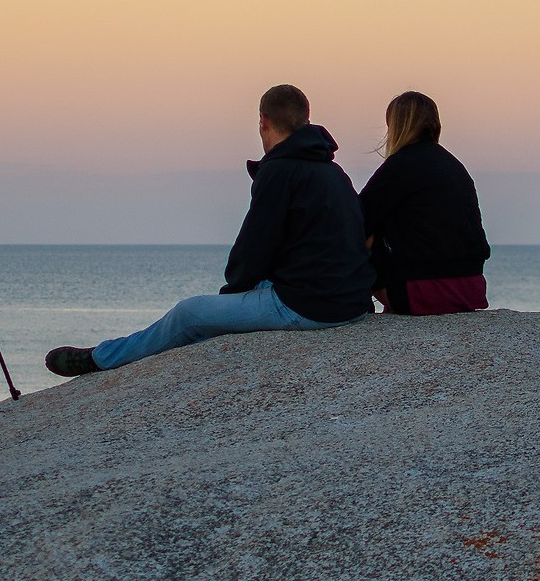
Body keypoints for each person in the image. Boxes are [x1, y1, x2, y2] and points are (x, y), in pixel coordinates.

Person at [44, 84, 374, 375]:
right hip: (350, 302)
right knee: (220, 311)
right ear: (305, 119)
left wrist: (233, 294)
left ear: (263, 120)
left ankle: (101, 358)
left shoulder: (280, 170)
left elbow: (254, 246)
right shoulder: (333, 171)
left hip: (312, 307)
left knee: (190, 312)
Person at [359, 91, 490, 315]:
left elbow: (357, 218)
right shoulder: (454, 167)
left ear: (398, 126)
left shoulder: (400, 165)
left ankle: (354, 303)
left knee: (364, 231)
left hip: (423, 292)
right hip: (472, 287)